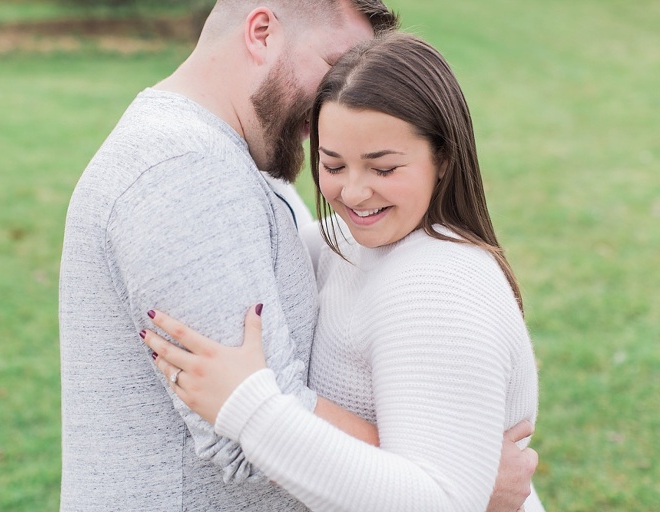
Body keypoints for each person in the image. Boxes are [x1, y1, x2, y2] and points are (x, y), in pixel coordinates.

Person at [143, 32, 545, 511]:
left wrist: (249, 407)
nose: (354, 193)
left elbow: (440, 502)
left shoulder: (443, 284)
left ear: (443, 159)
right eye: (333, 165)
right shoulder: (346, 242)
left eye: (383, 169)